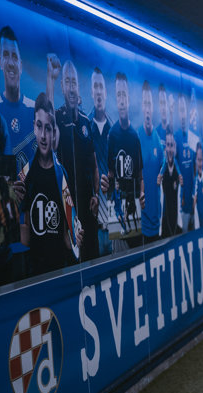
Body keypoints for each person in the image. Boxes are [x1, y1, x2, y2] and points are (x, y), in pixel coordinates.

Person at [20, 92, 84, 276]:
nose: (43, 135)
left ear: (53, 132)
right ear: (34, 127)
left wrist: (76, 240)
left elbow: (66, 235)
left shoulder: (61, 175)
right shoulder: (25, 174)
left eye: (47, 128)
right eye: (39, 126)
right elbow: (25, 234)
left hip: (58, 268)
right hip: (34, 271)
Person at [46, 57, 100, 261]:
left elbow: (95, 166)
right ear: (62, 86)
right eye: (67, 82)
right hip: (67, 209)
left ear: (78, 87)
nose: (71, 87)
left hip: (88, 208)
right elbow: (48, 123)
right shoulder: (58, 117)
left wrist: (96, 195)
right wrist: (50, 79)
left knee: (93, 261)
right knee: (72, 261)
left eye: (74, 82)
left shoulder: (86, 122)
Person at [107, 72, 143, 246]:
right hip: (117, 208)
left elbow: (140, 176)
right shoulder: (112, 135)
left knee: (136, 252)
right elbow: (110, 174)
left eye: (124, 95)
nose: (121, 100)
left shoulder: (135, 137)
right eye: (118, 95)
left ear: (128, 99)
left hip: (133, 204)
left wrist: (141, 194)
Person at [0, 26, 35, 176]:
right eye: (6, 55)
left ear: (21, 65)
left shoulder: (34, 109)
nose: (11, 63)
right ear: (0, 61)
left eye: (15, 56)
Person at [89, 67, 113, 255]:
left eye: (101, 87)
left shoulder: (114, 131)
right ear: (92, 92)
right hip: (94, 226)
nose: (98, 91)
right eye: (95, 86)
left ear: (105, 92)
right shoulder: (85, 128)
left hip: (113, 224)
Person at [137, 80, 163, 242]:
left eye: (150, 104)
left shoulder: (158, 141)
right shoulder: (136, 137)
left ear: (153, 108)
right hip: (141, 224)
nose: (147, 108)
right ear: (142, 107)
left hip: (158, 222)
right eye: (145, 104)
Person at [174, 94, 195, 232]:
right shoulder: (176, 136)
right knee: (184, 234)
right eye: (180, 110)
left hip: (194, 198)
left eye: (184, 110)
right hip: (182, 200)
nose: (182, 114)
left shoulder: (193, 136)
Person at [158, 130, 180, 236]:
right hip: (164, 226)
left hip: (176, 224)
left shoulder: (178, 171)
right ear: (165, 147)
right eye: (168, 145)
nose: (170, 149)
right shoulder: (161, 170)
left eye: (172, 145)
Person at [192, 142, 203, 228]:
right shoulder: (195, 179)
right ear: (195, 160)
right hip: (197, 212)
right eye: (198, 160)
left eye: (201, 160)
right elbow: (194, 197)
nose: (200, 163)